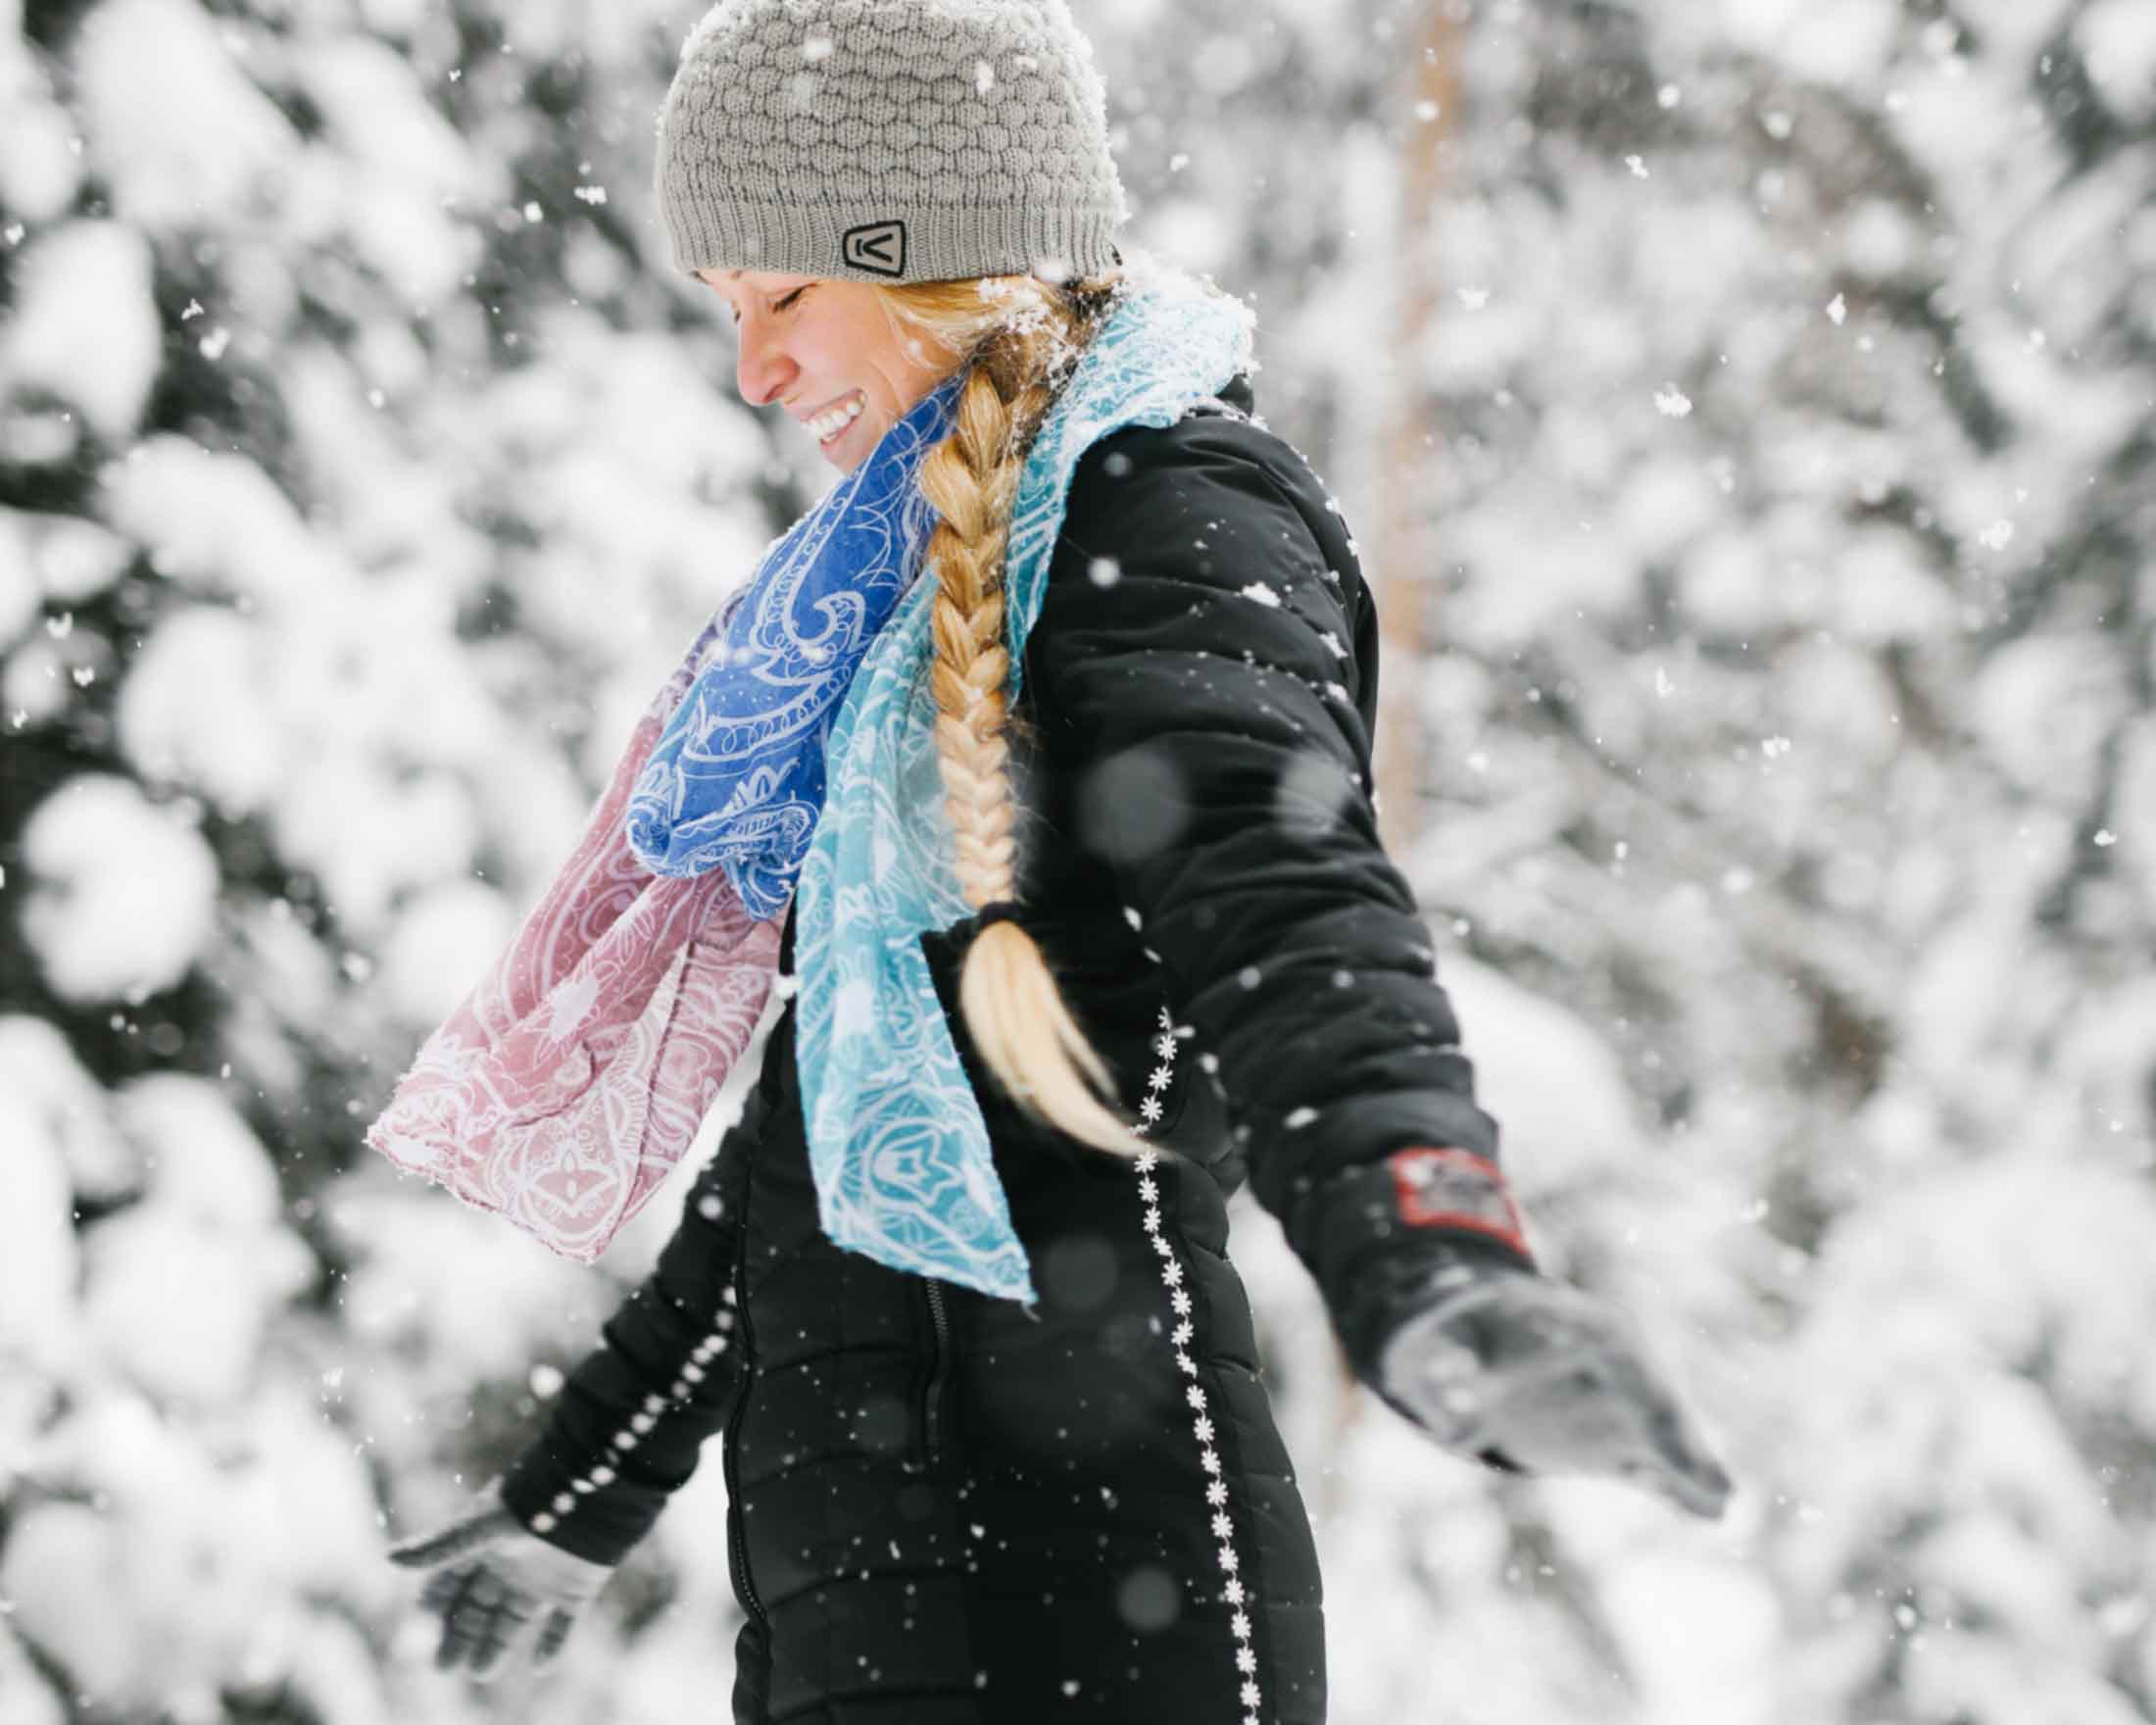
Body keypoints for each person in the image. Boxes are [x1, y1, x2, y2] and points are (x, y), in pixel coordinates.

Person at [379, 2, 1732, 1720]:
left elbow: (1285, 901)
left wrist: (1427, 1243)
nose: (757, 370)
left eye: (788, 294)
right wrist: (592, 1485)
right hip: (862, 1598)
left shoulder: (1169, 511)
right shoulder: (904, 585)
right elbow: (834, 1128)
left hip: (1099, 1592)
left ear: (933, 258)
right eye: (731, 314)